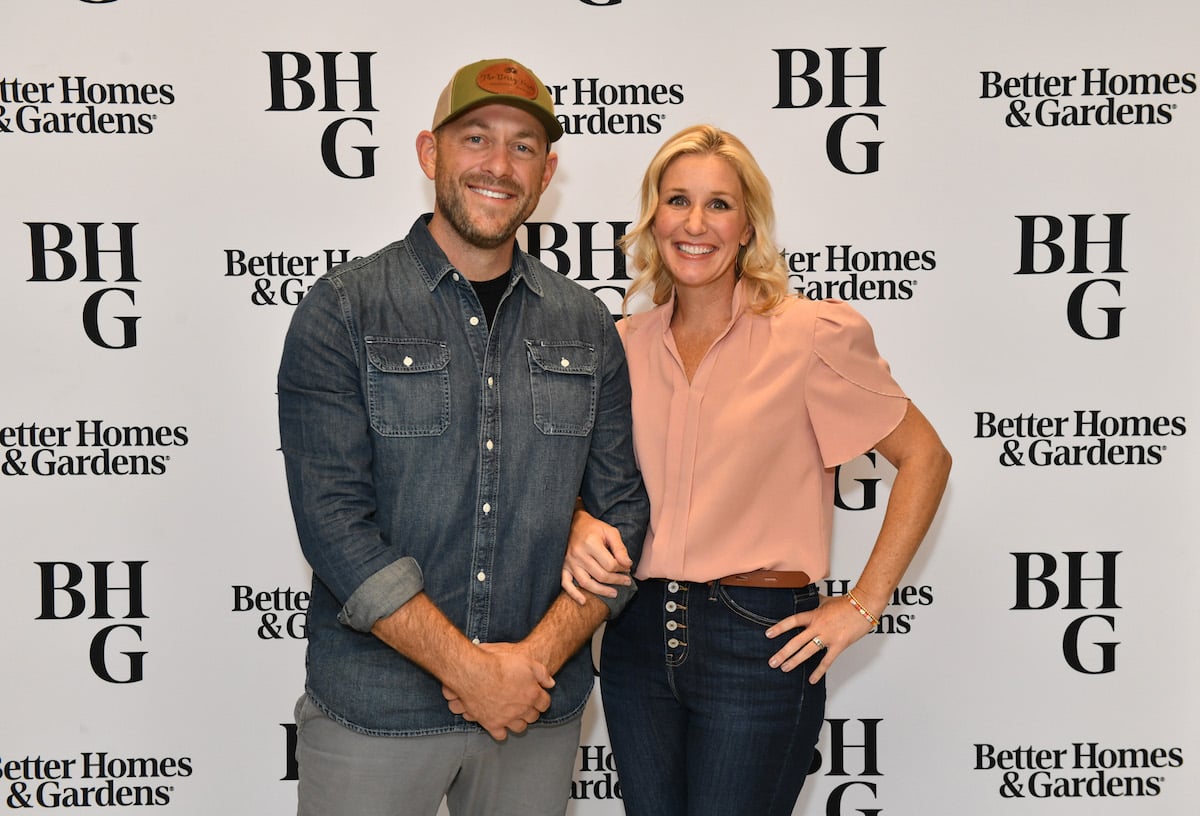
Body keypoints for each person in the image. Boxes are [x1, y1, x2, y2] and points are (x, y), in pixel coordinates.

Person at [277, 57, 648, 816]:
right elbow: (334, 525)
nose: (498, 165)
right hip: (374, 711)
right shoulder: (344, 308)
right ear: (429, 153)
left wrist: (529, 666)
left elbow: (625, 516)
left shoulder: (586, 324)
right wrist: (471, 672)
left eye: (521, 147)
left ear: (546, 173)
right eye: (476, 137)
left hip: (532, 715)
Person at [563, 124, 951, 816]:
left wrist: (862, 606)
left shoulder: (809, 337)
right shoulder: (620, 344)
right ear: (654, 217)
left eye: (719, 204)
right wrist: (578, 522)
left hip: (760, 640)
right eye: (677, 199)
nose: (695, 222)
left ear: (747, 227)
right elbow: (577, 481)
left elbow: (925, 457)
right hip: (635, 639)